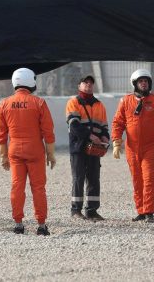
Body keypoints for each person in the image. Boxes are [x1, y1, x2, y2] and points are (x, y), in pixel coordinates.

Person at [0, 68, 56, 235]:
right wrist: (50, 154)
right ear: (31, 81)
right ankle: (41, 225)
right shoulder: (39, 103)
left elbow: (0, 134)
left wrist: (3, 156)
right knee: (38, 188)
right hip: (35, 150)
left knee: (16, 187)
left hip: (14, 150)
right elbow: (48, 132)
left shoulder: (4, 104)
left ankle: (18, 224)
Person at [111, 68, 154, 223]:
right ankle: (140, 210)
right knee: (137, 180)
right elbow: (118, 123)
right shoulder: (126, 101)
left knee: (149, 179)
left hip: (152, 148)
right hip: (131, 148)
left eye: (146, 81)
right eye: (141, 81)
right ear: (135, 84)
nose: (144, 84)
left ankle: (149, 211)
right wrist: (116, 142)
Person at [65, 75, 109, 221]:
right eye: (85, 83)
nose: (89, 85)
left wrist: (104, 138)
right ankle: (75, 210)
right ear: (79, 86)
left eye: (91, 83)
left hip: (94, 147)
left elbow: (104, 127)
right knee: (78, 178)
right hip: (78, 147)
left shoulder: (99, 105)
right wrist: (91, 136)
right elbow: (74, 125)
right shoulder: (73, 102)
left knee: (94, 178)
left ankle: (91, 211)